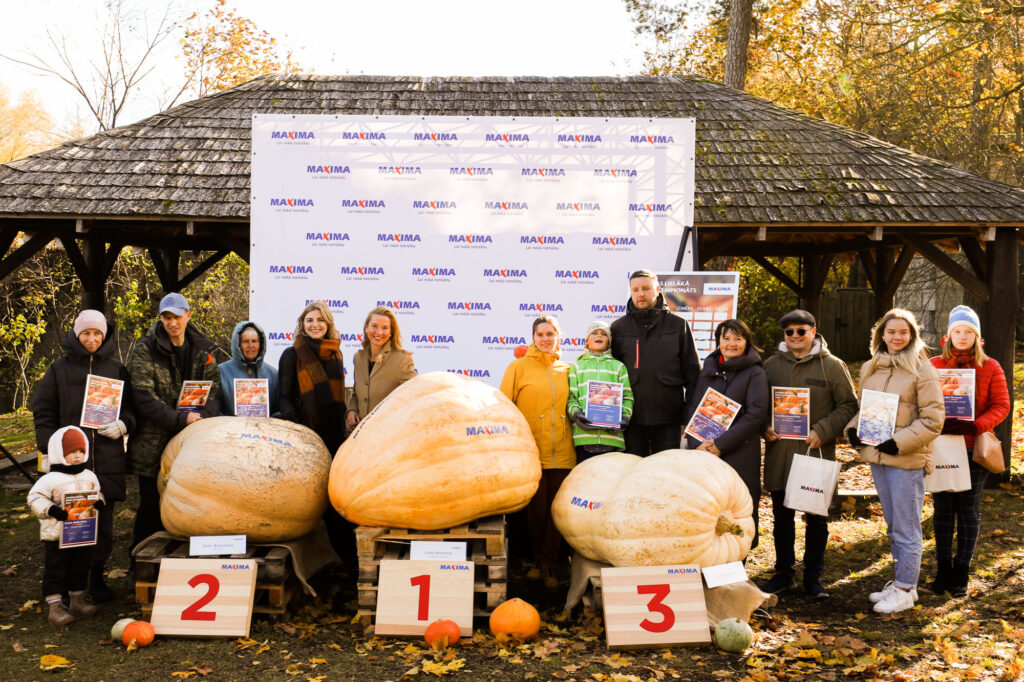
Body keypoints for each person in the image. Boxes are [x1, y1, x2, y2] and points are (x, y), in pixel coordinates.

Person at [31, 309, 134, 603]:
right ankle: (61, 586)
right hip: (68, 468)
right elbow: (44, 412)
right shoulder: (58, 370)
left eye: (97, 333)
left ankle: (95, 580)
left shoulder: (116, 370)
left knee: (102, 527)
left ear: (104, 337)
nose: (92, 338)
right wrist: (51, 450)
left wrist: (123, 424)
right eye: (86, 333)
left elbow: (131, 409)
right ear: (77, 335)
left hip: (106, 461)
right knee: (65, 526)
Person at [846, 308, 943, 615]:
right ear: (881, 335)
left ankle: (904, 588)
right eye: (891, 332)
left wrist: (898, 443)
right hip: (878, 458)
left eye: (903, 332)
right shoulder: (870, 368)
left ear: (912, 335)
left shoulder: (922, 369)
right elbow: (866, 410)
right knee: (893, 526)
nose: (897, 337)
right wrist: (853, 430)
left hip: (906, 459)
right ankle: (905, 584)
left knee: (907, 527)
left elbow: (932, 420)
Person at [760, 309, 858, 598]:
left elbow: (849, 405)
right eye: (789, 332)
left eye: (801, 331)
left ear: (813, 332)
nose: (794, 337)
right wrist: (765, 426)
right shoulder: (770, 366)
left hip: (815, 453)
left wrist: (822, 430)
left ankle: (813, 577)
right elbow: (758, 404)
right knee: (781, 517)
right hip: (780, 453)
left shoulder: (833, 366)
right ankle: (783, 574)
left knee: (816, 518)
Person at [128, 292, 221, 557]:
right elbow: (144, 397)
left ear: (188, 316)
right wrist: (181, 419)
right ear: (161, 319)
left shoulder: (204, 351)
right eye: (167, 317)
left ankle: (184, 559)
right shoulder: (146, 349)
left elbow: (215, 392)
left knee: (190, 504)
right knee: (151, 506)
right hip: (152, 443)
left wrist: (202, 419)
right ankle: (141, 562)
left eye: (177, 317)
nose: (172, 323)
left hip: (193, 443)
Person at [928, 305, 1010, 597]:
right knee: (942, 509)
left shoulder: (991, 367)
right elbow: (921, 402)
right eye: (957, 331)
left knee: (968, 509)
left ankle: (962, 571)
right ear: (948, 335)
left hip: (973, 449)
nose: (962, 337)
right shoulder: (934, 365)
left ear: (977, 337)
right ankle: (943, 569)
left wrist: (976, 426)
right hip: (941, 447)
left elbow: (1001, 406)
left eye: (968, 332)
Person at [500, 315, 575, 589]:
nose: (545, 339)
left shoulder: (569, 369)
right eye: (540, 334)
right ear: (533, 338)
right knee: (536, 509)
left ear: (558, 337)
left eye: (550, 334)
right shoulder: (517, 367)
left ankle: (550, 562)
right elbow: (504, 407)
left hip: (563, 451)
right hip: (531, 451)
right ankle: (533, 560)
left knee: (557, 511)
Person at [684, 319, 770, 548]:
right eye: (726, 338)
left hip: (739, 452)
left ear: (746, 342)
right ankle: (710, 564)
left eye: (738, 338)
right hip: (705, 453)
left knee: (739, 508)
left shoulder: (755, 373)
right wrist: (697, 444)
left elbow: (756, 414)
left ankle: (739, 563)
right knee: (708, 509)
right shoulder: (707, 371)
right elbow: (694, 408)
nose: (731, 343)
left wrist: (720, 445)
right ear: (718, 341)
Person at [277, 301, 352, 565]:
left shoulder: (336, 354)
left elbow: (338, 400)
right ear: (302, 324)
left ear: (328, 324)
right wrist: (299, 432)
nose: (315, 325)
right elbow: (284, 397)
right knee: (306, 500)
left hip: (332, 436)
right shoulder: (291, 354)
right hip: (304, 437)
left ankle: (344, 562)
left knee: (334, 501)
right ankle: (312, 561)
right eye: (309, 320)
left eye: (320, 320)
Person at [611, 269, 701, 456]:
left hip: (669, 418)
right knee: (633, 473)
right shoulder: (619, 328)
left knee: (667, 473)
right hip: (631, 419)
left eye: (646, 288)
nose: (640, 294)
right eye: (635, 290)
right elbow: (611, 375)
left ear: (658, 289)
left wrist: (688, 416)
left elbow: (693, 375)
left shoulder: (678, 325)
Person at [28, 426, 106, 625]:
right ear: (59, 454)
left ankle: (77, 599)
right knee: (56, 568)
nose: (77, 456)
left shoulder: (89, 476)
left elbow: (97, 493)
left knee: (81, 565)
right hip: (57, 534)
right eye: (72, 452)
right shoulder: (50, 479)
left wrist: (98, 503)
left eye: (81, 451)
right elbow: (35, 498)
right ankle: (55, 606)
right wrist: (51, 510)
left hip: (82, 532)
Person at [566, 320, 634, 460]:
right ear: (587, 341)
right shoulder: (577, 367)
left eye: (604, 334)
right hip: (584, 438)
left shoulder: (618, 367)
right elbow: (571, 397)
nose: (599, 336)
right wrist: (576, 414)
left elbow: (627, 397)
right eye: (595, 333)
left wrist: (625, 418)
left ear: (609, 342)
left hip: (612, 438)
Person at [345, 306, 417, 429]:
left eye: (385, 328)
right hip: (360, 432)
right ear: (366, 328)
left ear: (391, 332)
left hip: (387, 433)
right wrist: (351, 409)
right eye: (374, 326)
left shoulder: (402, 360)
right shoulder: (358, 357)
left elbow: (415, 395)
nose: (379, 332)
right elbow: (357, 392)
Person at [218, 320, 280, 417]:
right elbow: (215, 410)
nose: (251, 346)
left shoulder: (274, 374)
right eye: (246, 341)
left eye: (254, 341)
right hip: (230, 430)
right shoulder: (220, 372)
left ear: (261, 344)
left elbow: (279, 410)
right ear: (238, 344)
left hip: (265, 429)